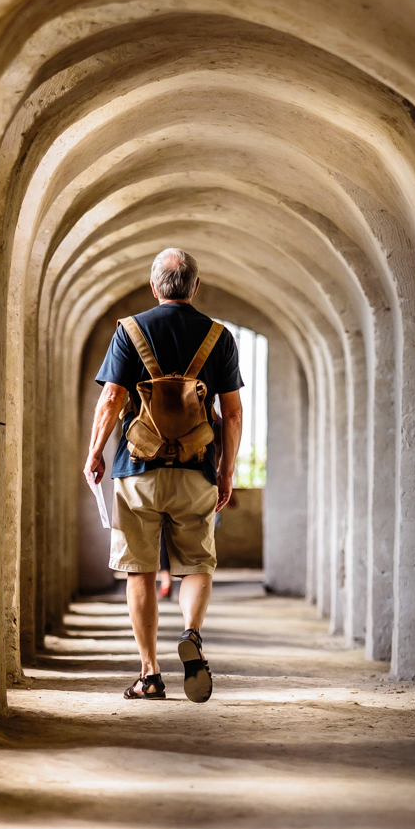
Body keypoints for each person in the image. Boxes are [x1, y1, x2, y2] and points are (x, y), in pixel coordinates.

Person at [83, 248, 243, 702]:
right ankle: (191, 634)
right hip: (196, 469)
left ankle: (150, 672)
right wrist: (225, 470)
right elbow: (231, 414)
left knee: (141, 570)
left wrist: (95, 452)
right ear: (196, 287)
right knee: (197, 565)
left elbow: (112, 398)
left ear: (154, 287)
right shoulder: (220, 337)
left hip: (137, 470)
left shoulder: (129, 331)